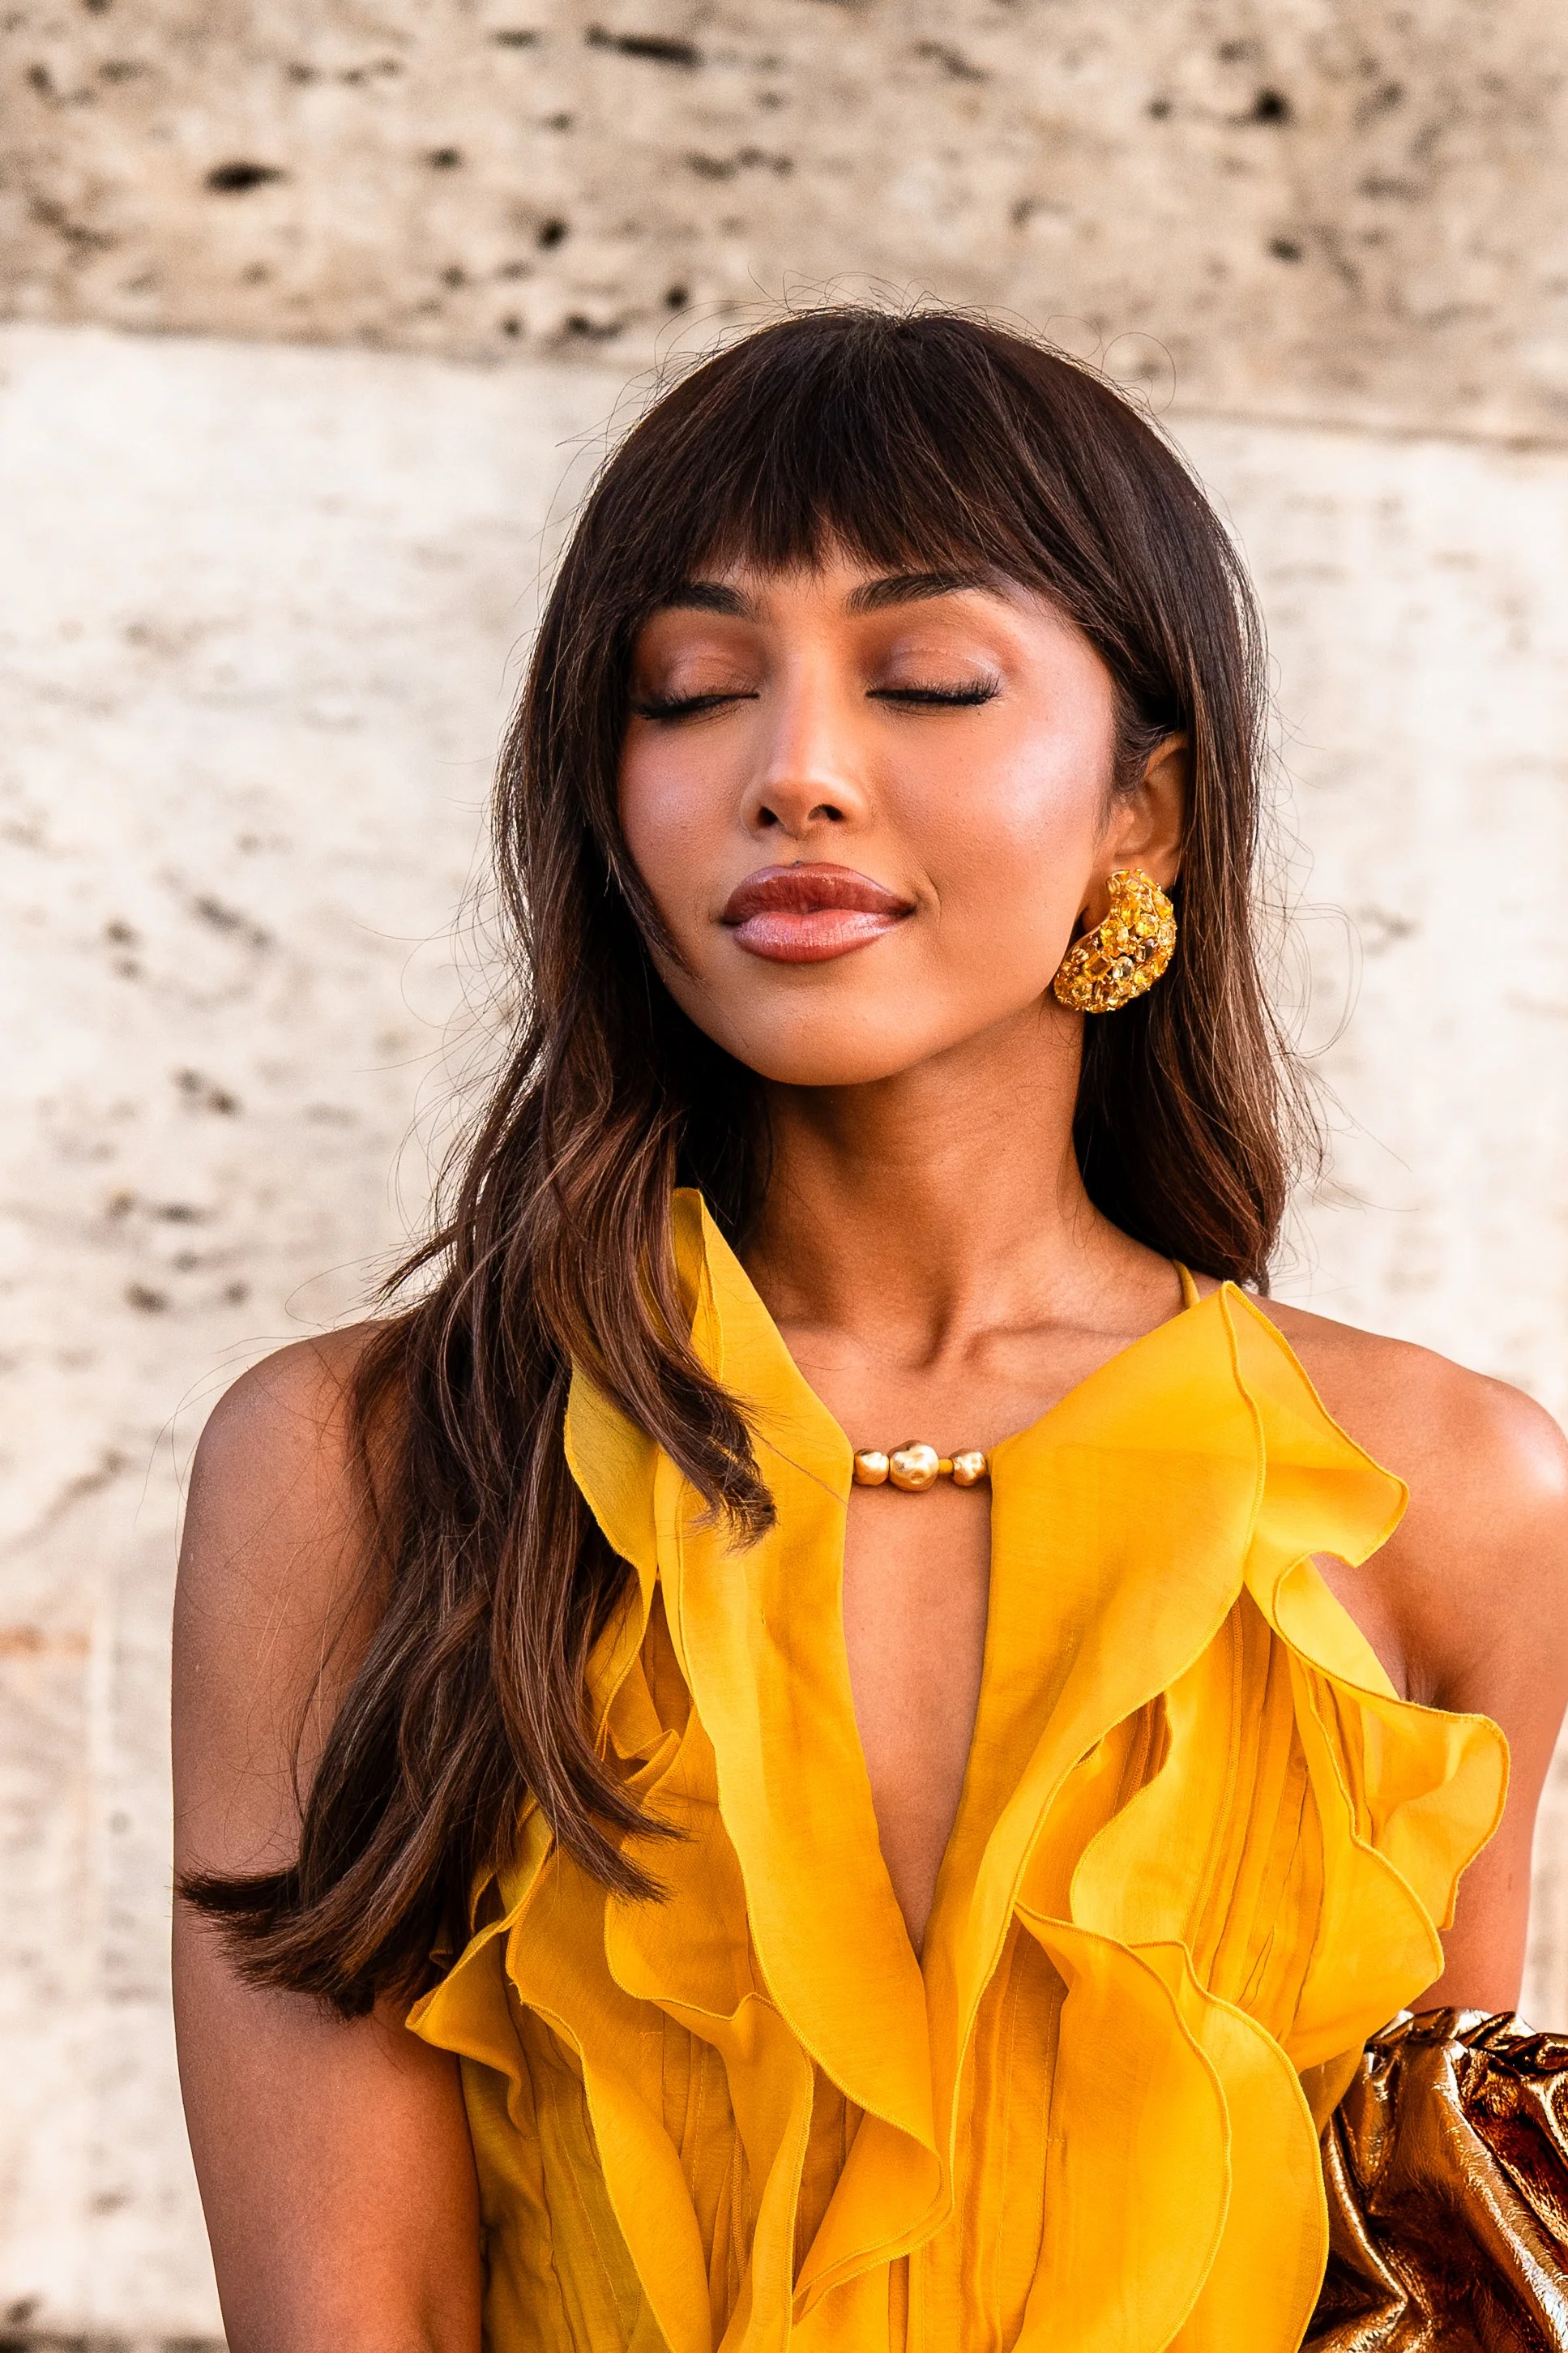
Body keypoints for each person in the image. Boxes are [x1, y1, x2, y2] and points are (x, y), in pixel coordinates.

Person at [171, 308, 1568, 2353]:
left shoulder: (1448, 1494)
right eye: (693, 689)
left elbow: (1429, 2282)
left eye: (925, 679)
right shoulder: (366, 1460)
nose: (796, 769)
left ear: (1144, 812)